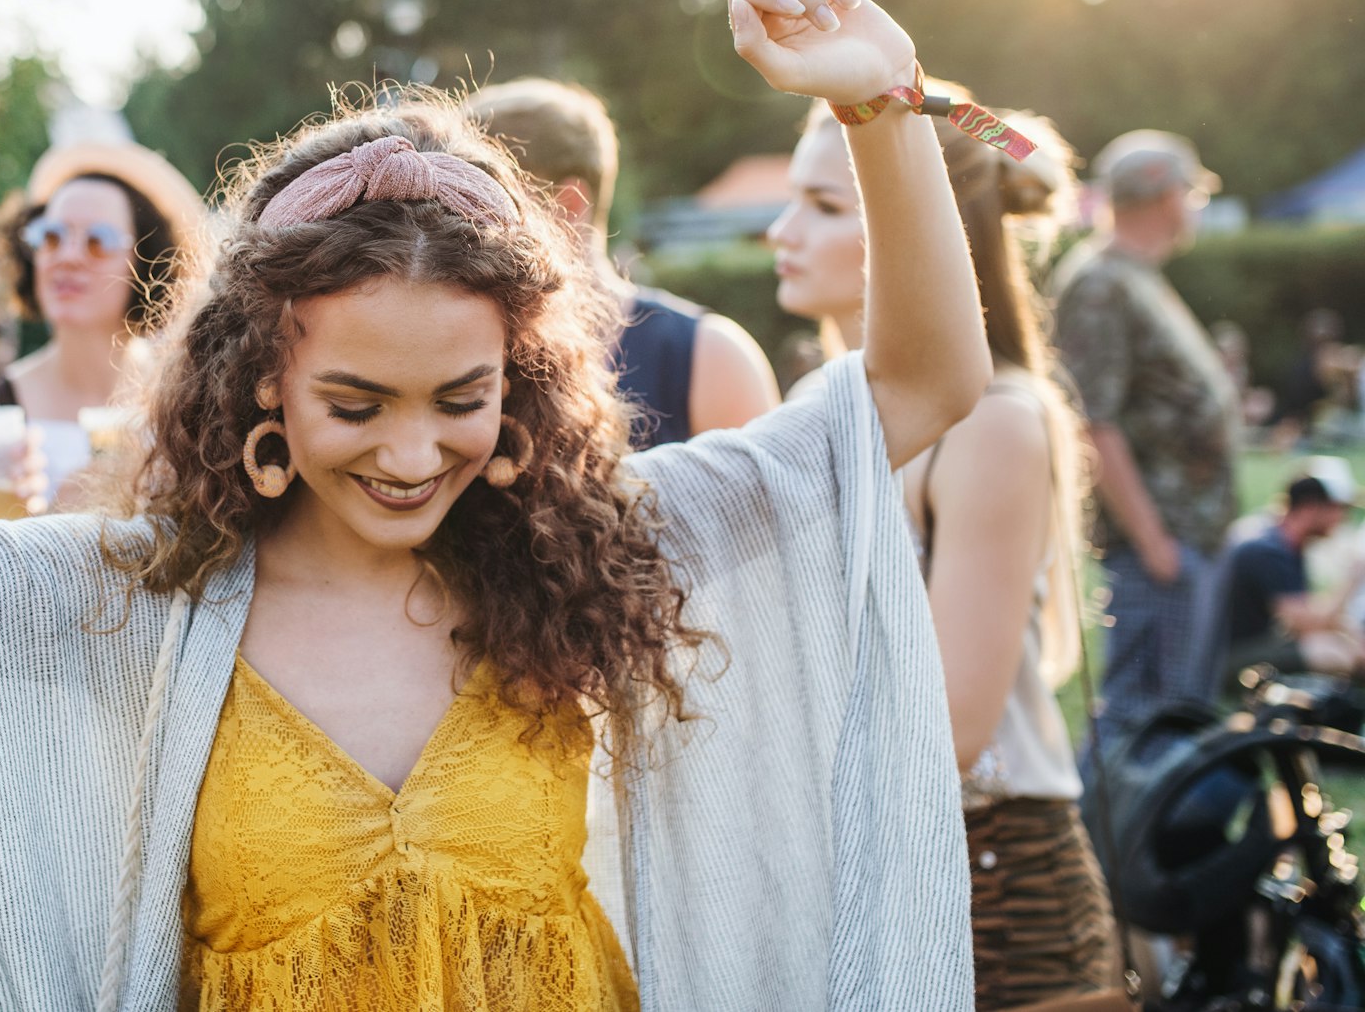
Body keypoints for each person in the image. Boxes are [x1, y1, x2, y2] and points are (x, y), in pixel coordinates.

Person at [0, 0, 993, 1009]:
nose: (415, 455)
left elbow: (927, 382)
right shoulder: (137, 601)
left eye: (462, 399)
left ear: (518, 389)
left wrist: (883, 99)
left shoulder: (593, 545)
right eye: (356, 402)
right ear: (260, 385)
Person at [769, 93, 1115, 1008]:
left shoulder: (994, 422)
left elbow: (956, 722)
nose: (780, 228)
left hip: (991, 880)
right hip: (857, 863)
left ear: (916, 224)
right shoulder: (814, 401)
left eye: (826, 206)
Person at [463, 79, 779, 444]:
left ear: (567, 206)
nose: (455, 226)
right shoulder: (457, 349)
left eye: (482, 206)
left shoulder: (710, 358)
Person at [1054, 129, 1240, 732]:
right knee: (1139, 724)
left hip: (1187, 538)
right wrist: (1156, 545)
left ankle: (1161, 832)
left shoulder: (1134, 275)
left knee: (1176, 721)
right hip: (1160, 546)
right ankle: (1109, 834)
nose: (1194, 208)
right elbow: (1090, 420)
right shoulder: (1101, 283)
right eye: (1193, 193)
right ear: (1166, 196)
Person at [0, 140, 206, 512]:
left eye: (97, 241)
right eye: (51, 236)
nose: (68, 256)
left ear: (148, 260)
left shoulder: (196, 414)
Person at [1221, 461, 1365, 685]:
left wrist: (1352, 635)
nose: (1343, 518)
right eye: (1339, 508)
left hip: (1248, 644)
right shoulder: (1269, 550)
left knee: (1336, 644)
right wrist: (1353, 578)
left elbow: (1306, 611)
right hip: (1226, 658)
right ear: (1310, 507)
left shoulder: (1279, 538)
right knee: (1331, 653)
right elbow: (1308, 625)